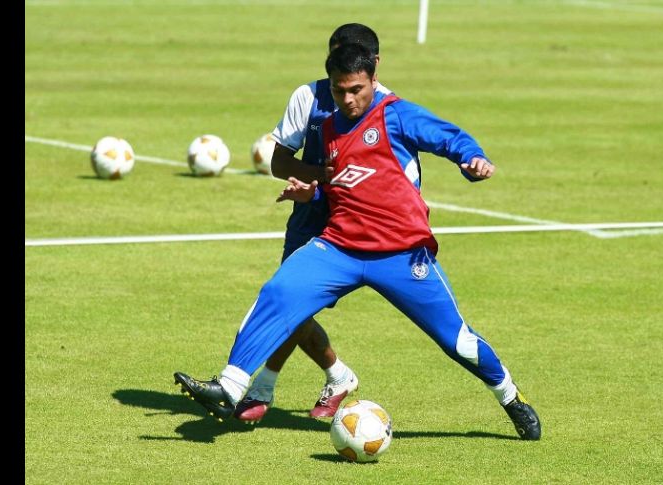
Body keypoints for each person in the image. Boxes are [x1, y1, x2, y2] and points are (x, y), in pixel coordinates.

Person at [175, 43, 542, 440]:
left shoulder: (396, 114)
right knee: (279, 290)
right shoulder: (331, 128)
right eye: (339, 91)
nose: (348, 99)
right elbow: (343, 188)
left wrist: (473, 160)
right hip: (340, 248)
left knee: (458, 342)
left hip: (401, 255)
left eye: (356, 90)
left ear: (373, 80)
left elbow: (449, 138)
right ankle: (229, 387)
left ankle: (510, 397)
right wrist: (311, 194)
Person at [232, 23, 393, 424]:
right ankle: (333, 376)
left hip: (359, 220)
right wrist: (319, 177)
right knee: (291, 302)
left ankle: (265, 386)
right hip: (309, 216)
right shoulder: (308, 96)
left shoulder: (391, 107)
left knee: (292, 303)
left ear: (372, 65)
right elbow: (278, 162)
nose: (339, 76)